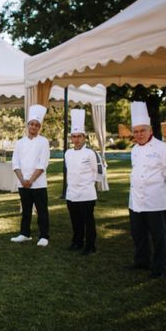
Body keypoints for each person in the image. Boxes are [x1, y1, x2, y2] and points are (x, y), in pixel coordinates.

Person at [127, 101, 166, 279]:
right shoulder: (134, 149)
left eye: (142, 130)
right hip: (136, 200)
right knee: (138, 233)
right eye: (136, 131)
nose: (139, 134)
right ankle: (142, 261)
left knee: (159, 236)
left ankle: (160, 267)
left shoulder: (163, 149)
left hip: (155, 200)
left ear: (150, 130)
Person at [10, 104, 51, 247]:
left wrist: (31, 180)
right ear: (27, 125)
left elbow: (42, 164)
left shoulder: (44, 142)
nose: (34, 127)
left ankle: (44, 236)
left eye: (36, 125)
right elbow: (15, 163)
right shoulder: (20, 142)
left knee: (41, 210)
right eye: (32, 124)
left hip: (38, 183)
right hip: (23, 183)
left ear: (39, 127)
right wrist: (23, 180)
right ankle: (24, 234)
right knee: (26, 210)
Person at [64, 109, 99, 255]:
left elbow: (97, 173)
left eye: (79, 136)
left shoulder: (90, 153)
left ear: (84, 137)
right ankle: (77, 242)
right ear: (71, 138)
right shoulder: (68, 153)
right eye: (74, 136)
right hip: (72, 193)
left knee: (88, 221)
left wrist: (87, 184)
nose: (76, 139)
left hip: (86, 193)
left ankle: (90, 245)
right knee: (75, 221)